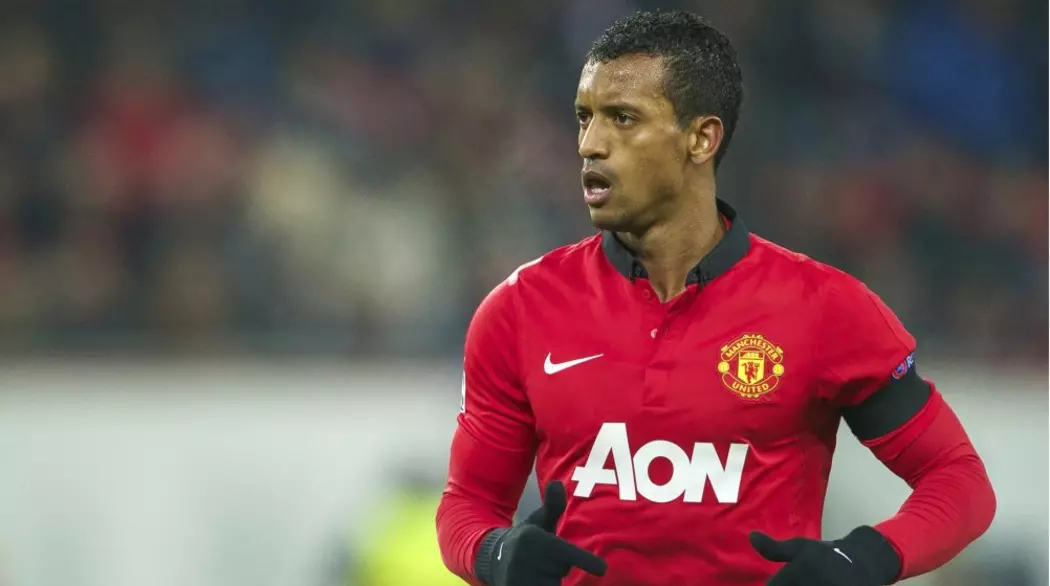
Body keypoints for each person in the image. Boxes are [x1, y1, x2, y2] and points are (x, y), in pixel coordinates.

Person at [436, 9, 995, 586]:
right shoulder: (519, 309)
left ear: (701, 138)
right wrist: (494, 553)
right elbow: (467, 504)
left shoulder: (825, 308)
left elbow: (958, 480)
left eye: (622, 118)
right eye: (584, 117)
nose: (590, 144)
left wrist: (866, 557)